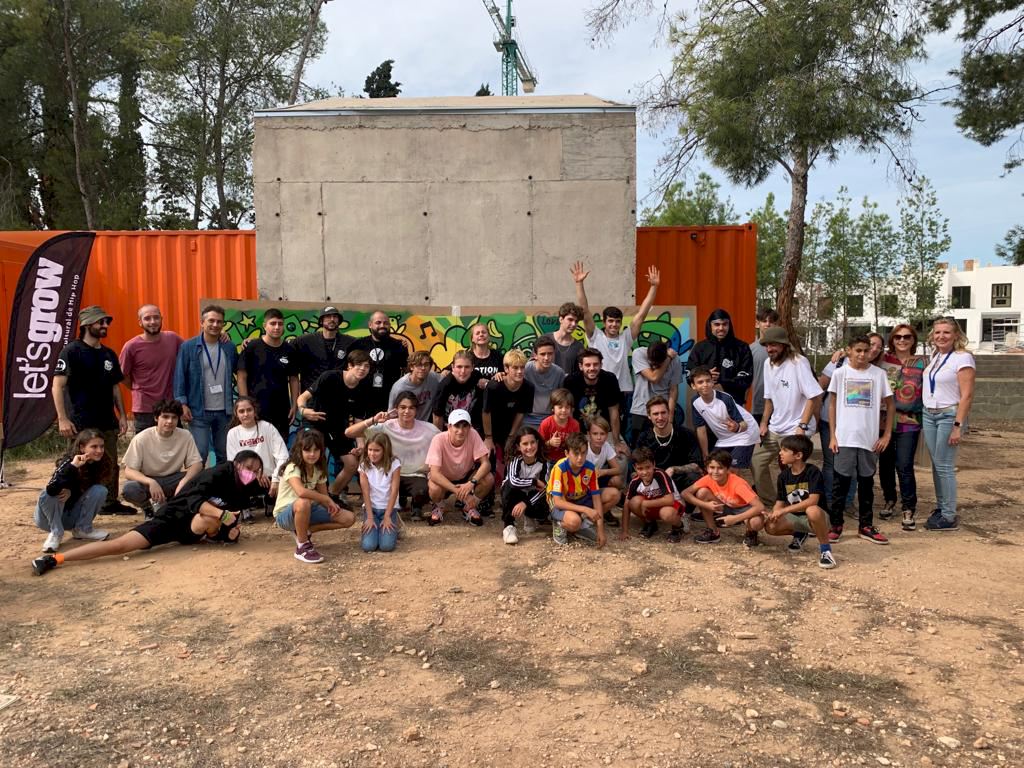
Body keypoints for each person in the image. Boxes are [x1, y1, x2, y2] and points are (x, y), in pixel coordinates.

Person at [32, 452, 267, 576]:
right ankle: (56, 559)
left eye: (256, 471)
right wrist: (224, 517)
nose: (251, 473)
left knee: (211, 519)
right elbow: (196, 501)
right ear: (236, 464)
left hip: (194, 529)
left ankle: (207, 535)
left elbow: (232, 522)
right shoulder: (216, 474)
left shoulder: (243, 490)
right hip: (170, 519)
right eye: (248, 468)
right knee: (120, 545)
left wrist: (231, 534)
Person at [52, 305, 134, 516]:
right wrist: (62, 419)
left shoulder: (108, 354)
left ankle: (109, 503)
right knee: (77, 463)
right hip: (80, 422)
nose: (105, 325)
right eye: (101, 322)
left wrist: (122, 415)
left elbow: (115, 386)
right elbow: (57, 386)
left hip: (107, 420)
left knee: (110, 462)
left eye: (107, 322)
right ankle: (71, 503)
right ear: (87, 324)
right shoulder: (71, 351)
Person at [716, 435, 836, 568]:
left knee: (812, 510)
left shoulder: (812, 471)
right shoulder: (783, 476)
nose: (780, 453)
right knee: (771, 526)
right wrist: (773, 513)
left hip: (817, 518)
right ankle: (799, 534)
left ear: (798, 455)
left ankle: (825, 550)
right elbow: (780, 501)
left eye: (785, 450)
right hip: (796, 517)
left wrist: (783, 511)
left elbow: (812, 500)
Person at [572, 261, 661, 437]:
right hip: (600, 391)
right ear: (604, 322)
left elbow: (641, 315)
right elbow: (584, 310)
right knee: (597, 432)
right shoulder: (595, 336)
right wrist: (579, 283)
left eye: (617, 321)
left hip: (624, 392)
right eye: (610, 321)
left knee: (622, 434)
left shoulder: (626, 338)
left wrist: (654, 287)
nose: (614, 324)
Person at [826, 334, 894, 544]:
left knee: (866, 483)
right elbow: (832, 404)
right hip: (844, 438)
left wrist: (886, 434)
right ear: (849, 351)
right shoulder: (840, 373)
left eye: (866, 350)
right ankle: (836, 525)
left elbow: (890, 404)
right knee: (840, 483)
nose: (863, 354)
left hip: (868, 439)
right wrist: (833, 435)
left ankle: (865, 525)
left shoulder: (879, 374)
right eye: (858, 350)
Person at [751, 326, 823, 508]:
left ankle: (800, 508)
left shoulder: (799, 362)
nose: (770, 349)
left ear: (784, 345)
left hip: (795, 427)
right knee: (756, 461)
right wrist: (763, 423)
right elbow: (768, 398)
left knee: (795, 468)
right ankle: (771, 501)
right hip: (775, 426)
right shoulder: (768, 364)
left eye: (774, 345)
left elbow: (813, 396)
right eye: (767, 345)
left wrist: (802, 426)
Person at [346, 391, 440, 521]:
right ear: (396, 409)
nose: (407, 411)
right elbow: (349, 432)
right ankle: (396, 501)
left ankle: (416, 505)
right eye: (403, 407)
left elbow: (444, 441)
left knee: (422, 490)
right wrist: (374, 420)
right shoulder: (386, 426)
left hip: (416, 475)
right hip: (389, 472)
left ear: (416, 410)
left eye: (411, 408)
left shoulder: (429, 429)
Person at [817, 332, 885, 506]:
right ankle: (830, 503)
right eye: (872, 344)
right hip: (830, 422)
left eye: (878, 347)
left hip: (859, 428)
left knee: (854, 467)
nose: (874, 349)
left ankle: (847, 503)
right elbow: (820, 387)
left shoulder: (877, 371)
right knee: (832, 463)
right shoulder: (839, 363)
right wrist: (813, 417)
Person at [296, 349, 374, 500]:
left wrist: (361, 444)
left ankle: (332, 496)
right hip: (315, 423)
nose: (362, 369)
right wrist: (303, 411)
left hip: (337, 428)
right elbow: (302, 397)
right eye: (359, 365)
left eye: (366, 366)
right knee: (312, 458)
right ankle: (308, 498)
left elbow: (358, 420)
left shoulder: (364, 389)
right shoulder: (329, 376)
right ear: (349, 366)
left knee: (352, 463)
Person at [921, 317, 975, 532]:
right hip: (929, 414)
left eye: (946, 332)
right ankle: (942, 507)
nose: (941, 336)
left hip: (948, 415)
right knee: (937, 464)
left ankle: (949, 515)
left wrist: (957, 425)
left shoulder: (962, 358)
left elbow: (967, 395)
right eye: (937, 332)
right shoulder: (936, 356)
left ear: (956, 335)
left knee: (944, 465)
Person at [273, 430, 356, 563]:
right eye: (307, 450)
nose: (312, 454)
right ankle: (302, 546)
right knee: (303, 501)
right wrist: (326, 499)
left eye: (316, 450)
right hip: (285, 515)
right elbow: (301, 492)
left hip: (308, 510)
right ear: (299, 450)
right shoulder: (292, 467)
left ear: (321, 451)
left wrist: (331, 505)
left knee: (348, 518)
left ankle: (305, 531)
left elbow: (323, 495)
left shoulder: (319, 469)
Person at [174, 304, 237, 467]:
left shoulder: (229, 347)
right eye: (211, 321)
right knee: (199, 454)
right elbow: (180, 376)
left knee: (224, 453)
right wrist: (182, 403)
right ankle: (197, 483)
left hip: (224, 411)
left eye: (219, 322)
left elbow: (240, 370)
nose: (215, 325)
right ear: (202, 323)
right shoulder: (188, 347)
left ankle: (221, 483)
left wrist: (247, 343)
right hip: (198, 411)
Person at [879, 324, 927, 530]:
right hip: (882, 421)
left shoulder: (923, 363)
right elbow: (858, 355)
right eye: (897, 336)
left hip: (909, 420)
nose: (902, 340)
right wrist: (840, 353)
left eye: (907, 336)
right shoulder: (881, 361)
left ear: (913, 340)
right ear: (892, 340)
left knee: (904, 464)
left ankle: (908, 506)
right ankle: (889, 499)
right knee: (885, 464)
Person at [121, 400, 204, 519]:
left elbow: (197, 464)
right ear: (156, 418)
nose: (169, 421)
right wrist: (150, 482)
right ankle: (148, 509)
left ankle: (172, 506)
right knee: (130, 489)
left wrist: (184, 482)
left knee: (199, 480)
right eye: (165, 417)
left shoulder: (185, 435)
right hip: (148, 480)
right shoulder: (142, 438)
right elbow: (129, 471)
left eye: (174, 417)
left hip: (172, 479)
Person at [33, 430, 111, 553]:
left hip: (70, 516)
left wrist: (71, 492)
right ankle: (56, 533)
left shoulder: (102, 464)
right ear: (82, 447)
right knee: (49, 493)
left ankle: (83, 529)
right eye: (94, 447)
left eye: (102, 446)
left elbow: (87, 490)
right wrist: (73, 466)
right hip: (48, 519)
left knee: (100, 490)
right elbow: (51, 489)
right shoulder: (69, 462)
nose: (99, 450)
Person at [236, 308, 300, 442]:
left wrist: (294, 405)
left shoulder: (289, 350)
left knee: (280, 447)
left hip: (281, 410)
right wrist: (244, 404)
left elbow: (294, 379)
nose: (277, 327)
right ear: (265, 325)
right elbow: (241, 376)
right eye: (273, 323)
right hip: (256, 409)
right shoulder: (252, 347)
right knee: (256, 447)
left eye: (280, 324)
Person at [119, 304, 184, 433]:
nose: (153, 322)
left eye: (156, 317)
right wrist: (137, 388)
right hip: (144, 409)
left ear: (161, 319)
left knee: (174, 443)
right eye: (147, 318)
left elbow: (192, 349)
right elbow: (122, 375)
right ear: (140, 322)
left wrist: (218, 335)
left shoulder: (173, 339)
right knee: (146, 444)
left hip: (170, 406)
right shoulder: (131, 346)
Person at [425, 409, 495, 526]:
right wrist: (458, 491)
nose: (461, 431)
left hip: (466, 475)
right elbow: (434, 473)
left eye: (465, 426)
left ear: (470, 427)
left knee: (489, 479)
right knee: (434, 488)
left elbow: (486, 464)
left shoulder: (473, 434)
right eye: (456, 426)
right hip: (444, 478)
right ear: (449, 427)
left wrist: (472, 483)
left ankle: (469, 507)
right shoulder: (438, 439)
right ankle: (439, 506)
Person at [681, 449, 764, 546]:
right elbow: (685, 493)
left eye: (720, 468)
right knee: (702, 492)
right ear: (707, 468)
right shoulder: (708, 478)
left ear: (728, 469)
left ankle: (751, 533)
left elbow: (760, 507)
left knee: (756, 522)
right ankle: (713, 531)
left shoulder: (738, 484)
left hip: (745, 508)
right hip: (726, 505)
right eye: (712, 467)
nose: (715, 472)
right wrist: (705, 505)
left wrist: (735, 519)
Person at [226, 396, 290, 515]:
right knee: (232, 477)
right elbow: (233, 463)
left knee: (287, 473)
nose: (246, 414)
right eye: (241, 411)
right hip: (246, 478)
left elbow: (283, 456)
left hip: (270, 477)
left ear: (255, 411)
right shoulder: (233, 433)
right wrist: (255, 473)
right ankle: (244, 508)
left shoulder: (267, 427)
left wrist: (276, 478)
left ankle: (270, 501)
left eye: (249, 410)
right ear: (236, 414)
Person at [689, 366, 758, 473]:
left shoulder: (725, 399)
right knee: (713, 468)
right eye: (700, 382)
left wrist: (737, 427)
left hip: (745, 434)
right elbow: (701, 429)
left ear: (713, 382)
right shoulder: (695, 402)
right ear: (693, 386)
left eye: (708, 381)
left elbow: (744, 424)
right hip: (724, 439)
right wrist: (705, 454)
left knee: (731, 471)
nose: (705, 384)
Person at [482, 349, 534, 484]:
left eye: (522, 367)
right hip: (489, 428)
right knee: (488, 458)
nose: (519, 371)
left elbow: (521, 412)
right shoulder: (494, 386)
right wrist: (488, 438)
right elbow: (486, 412)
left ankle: (505, 485)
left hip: (509, 428)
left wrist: (511, 437)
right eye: (515, 368)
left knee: (509, 457)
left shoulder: (528, 387)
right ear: (506, 368)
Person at [634, 396, 703, 494]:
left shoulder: (686, 434)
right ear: (649, 416)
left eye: (663, 413)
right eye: (655, 414)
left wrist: (674, 469)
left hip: (682, 480)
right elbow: (638, 466)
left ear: (669, 413)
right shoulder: (644, 438)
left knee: (696, 478)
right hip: (655, 480)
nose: (660, 417)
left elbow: (696, 465)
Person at [546, 433, 606, 547]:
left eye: (583, 453)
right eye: (576, 453)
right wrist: (586, 510)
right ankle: (560, 524)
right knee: (575, 521)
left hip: (578, 498)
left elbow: (596, 498)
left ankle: (582, 527)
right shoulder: (560, 468)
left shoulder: (590, 468)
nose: (580, 458)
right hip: (559, 501)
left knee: (613, 495)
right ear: (567, 453)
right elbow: (558, 502)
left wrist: (600, 530)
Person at [686, 308, 754, 405]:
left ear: (729, 325)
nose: (721, 328)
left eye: (725, 324)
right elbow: (689, 375)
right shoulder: (700, 348)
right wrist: (706, 375)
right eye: (717, 324)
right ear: (710, 326)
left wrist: (722, 381)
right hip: (705, 403)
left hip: (733, 404)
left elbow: (747, 379)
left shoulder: (742, 348)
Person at [349, 310, 409, 412]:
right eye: (378, 322)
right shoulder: (358, 344)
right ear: (370, 325)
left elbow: (406, 371)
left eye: (386, 323)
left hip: (389, 398)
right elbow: (349, 369)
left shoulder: (399, 345)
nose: (382, 325)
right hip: (361, 398)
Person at [564, 348, 625, 446]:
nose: (592, 368)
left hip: (605, 431)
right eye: (588, 365)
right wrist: (574, 440)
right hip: (580, 432)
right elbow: (569, 413)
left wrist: (616, 442)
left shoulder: (610, 379)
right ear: (580, 366)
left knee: (622, 455)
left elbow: (614, 412)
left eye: (595, 364)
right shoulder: (571, 381)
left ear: (601, 365)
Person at [621, 447, 683, 542]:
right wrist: (624, 531)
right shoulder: (635, 481)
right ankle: (650, 523)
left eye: (648, 467)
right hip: (655, 505)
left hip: (673, 505)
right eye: (640, 468)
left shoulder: (660, 475)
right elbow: (626, 505)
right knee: (634, 502)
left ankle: (678, 527)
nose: (645, 472)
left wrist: (646, 503)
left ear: (654, 464)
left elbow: (670, 500)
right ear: (634, 468)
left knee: (666, 513)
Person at [500, 426, 549, 545]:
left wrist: (525, 503)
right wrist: (534, 481)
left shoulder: (543, 462)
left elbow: (545, 488)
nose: (530, 447)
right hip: (516, 494)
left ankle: (529, 515)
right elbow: (513, 481)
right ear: (518, 446)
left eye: (532, 442)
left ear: (537, 442)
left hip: (530, 496)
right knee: (507, 486)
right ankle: (509, 526)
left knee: (544, 505)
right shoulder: (515, 460)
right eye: (525, 444)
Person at [289, 306, 355, 391]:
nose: (332, 319)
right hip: (310, 395)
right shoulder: (305, 340)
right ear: (321, 321)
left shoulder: (349, 342)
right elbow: (285, 348)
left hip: (338, 395)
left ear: (339, 321)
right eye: (328, 316)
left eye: (335, 316)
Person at [358, 432, 401, 553]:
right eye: (370, 450)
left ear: (385, 450)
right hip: (371, 509)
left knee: (386, 546)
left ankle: (394, 525)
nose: (372, 453)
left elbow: (394, 491)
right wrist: (369, 517)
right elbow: (365, 492)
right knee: (368, 546)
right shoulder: (363, 466)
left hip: (388, 509)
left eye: (377, 450)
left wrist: (387, 516)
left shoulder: (394, 464)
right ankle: (376, 530)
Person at [629, 341, 680, 438]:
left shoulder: (675, 360)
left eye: (658, 364)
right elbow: (654, 378)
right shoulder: (639, 353)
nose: (654, 367)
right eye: (652, 364)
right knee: (639, 445)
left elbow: (673, 390)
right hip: (641, 410)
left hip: (663, 412)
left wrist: (670, 418)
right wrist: (668, 359)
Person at [432, 350, 484, 434]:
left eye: (467, 367)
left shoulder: (477, 376)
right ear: (452, 367)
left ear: (472, 367)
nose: (463, 371)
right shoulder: (445, 385)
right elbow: (437, 415)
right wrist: (440, 437)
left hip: (469, 427)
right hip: (448, 429)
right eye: (459, 367)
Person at [586, 416, 624, 527]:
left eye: (602, 434)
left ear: (607, 435)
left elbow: (618, 469)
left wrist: (603, 472)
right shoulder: (585, 449)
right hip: (584, 484)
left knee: (617, 481)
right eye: (595, 434)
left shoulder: (606, 446)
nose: (599, 437)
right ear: (589, 434)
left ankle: (603, 513)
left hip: (597, 479)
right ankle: (590, 513)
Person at [523, 337, 566, 429]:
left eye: (550, 354)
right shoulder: (525, 369)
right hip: (528, 418)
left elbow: (562, 399)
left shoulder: (559, 373)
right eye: (542, 354)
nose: (546, 358)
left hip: (551, 418)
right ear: (535, 355)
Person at [388, 351, 442, 422]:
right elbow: (391, 414)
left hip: (425, 424)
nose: (423, 368)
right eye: (419, 365)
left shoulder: (434, 378)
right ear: (411, 367)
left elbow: (447, 380)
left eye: (426, 364)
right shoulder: (399, 387)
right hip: (405, 424)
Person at [748, 308, 779, 427]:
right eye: (764, 321)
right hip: (759, 406)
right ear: (757, 324)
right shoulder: (750, 350)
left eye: (771, 321)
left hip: (781, 407)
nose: (768, 324)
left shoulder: (786, 349)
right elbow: (746, 380)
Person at [539, 388, 581, 464]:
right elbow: (539, 445)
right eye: (560, 407)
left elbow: (577, 445)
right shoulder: (546, 423)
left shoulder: (575, 425)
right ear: (553, 408)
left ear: (571, 409)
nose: (564, 410)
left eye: (567, 407)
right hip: (549, 460)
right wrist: (550, 443)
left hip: (567, 460)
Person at [550, 302, 586, 374]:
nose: (574, 324)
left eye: (576, 321)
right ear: (561, 319)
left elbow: (580, 373)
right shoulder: (545, 340)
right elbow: (533, 365)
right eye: (570, 319)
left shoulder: (579, 347)